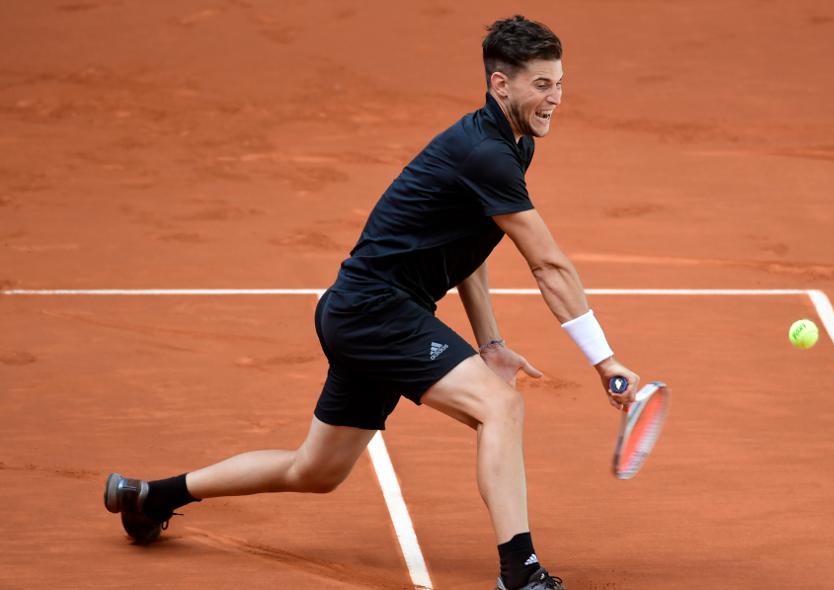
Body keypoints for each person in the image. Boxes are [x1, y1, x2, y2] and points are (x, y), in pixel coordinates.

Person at [104, 15, 639, 590]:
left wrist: (490, 343)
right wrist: (603, 359)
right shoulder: (487, 153)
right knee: (500, 409)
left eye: (559, 82)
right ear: (500, 84)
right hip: (376, 312)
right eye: (541, 84)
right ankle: (521, 573)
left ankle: (149, 496)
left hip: (364, 312)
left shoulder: (510, 145)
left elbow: (471, 250)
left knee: (313, 470)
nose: (555, 97)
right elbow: (549, 264)